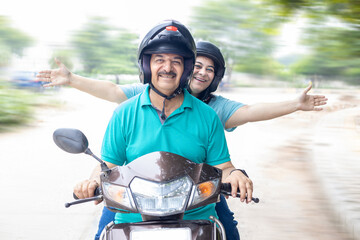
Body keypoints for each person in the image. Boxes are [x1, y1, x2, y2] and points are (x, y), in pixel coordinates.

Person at [37, 40, 327, 240]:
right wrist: (72, 79)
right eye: (196, 65)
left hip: (194, 194)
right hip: (138, 199)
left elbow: (247, 118)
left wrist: (294, 104)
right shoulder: (133, 105)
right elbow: (112, 100)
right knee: (104, 230)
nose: (200, 72)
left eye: (208, 69)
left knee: (226, 228)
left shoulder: (212, 111)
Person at [69, 20, 253, 239]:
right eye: (160, 60)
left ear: (186, 68)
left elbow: (222, 166)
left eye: (176, 61)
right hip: (133, 214)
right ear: (147, 66)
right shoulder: (124, 113)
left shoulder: (208, 116)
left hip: (195, 215)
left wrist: (235, 175)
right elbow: (109, 165)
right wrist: (91, 182)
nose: (167, 68)